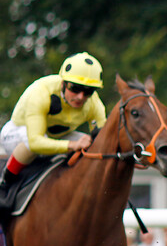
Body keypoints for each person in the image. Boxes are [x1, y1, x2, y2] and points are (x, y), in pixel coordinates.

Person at [0, 52, 106, 186]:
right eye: (75, 88)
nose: (80, 97)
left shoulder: (95, 104)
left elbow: (103, 140)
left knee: (90, 146)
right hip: (16, 134)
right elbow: (35, 142)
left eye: (88, 91)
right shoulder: (40, 92)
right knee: (34, 142)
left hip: (54, 136)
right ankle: (5, 181)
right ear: (63, 83)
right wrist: (72, 145)